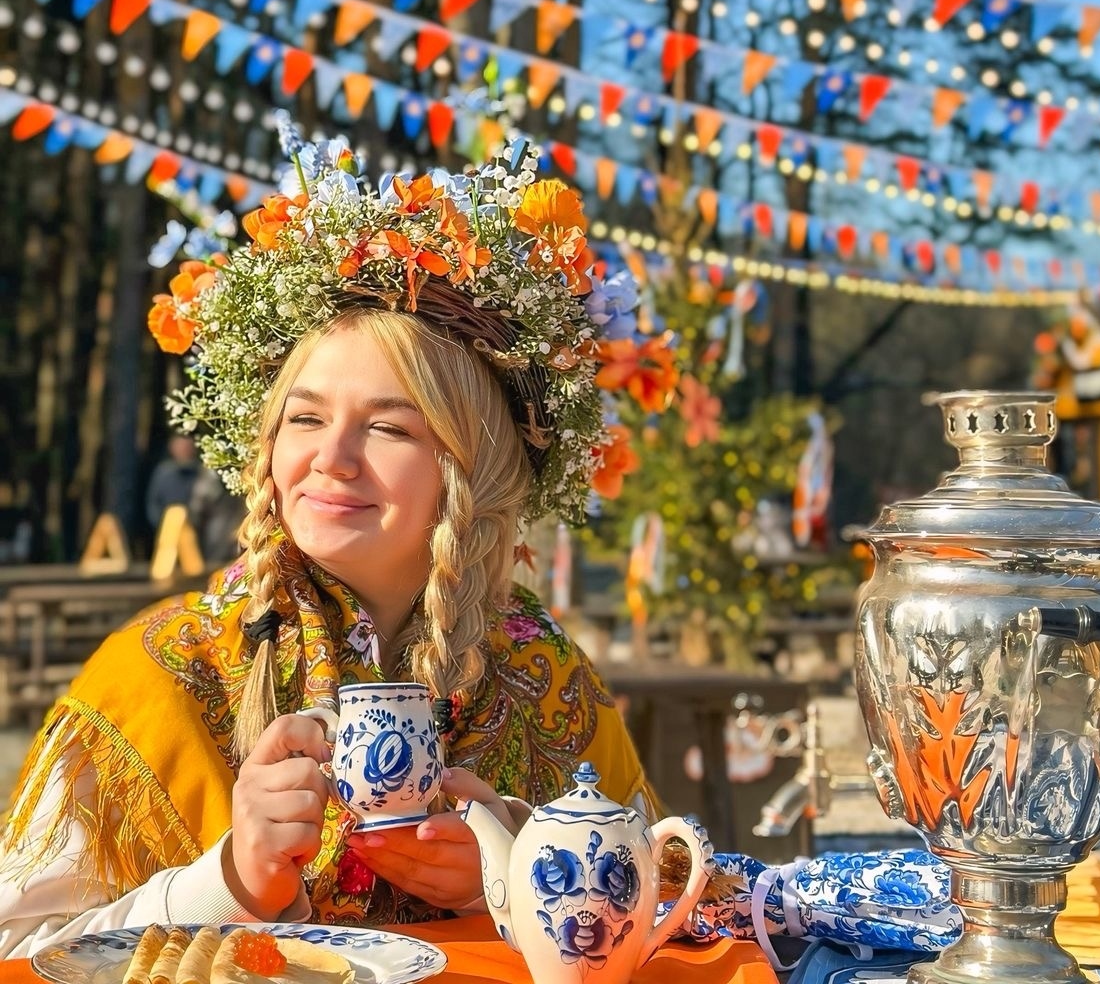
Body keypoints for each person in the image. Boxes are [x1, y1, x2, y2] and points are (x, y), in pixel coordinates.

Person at [0, 119, 674, 957]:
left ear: (479, 471)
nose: (331, 459)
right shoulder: (160, 678)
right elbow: (19, 949)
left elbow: (673, 913)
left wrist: (513, 869)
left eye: (389, 429)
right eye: (307, 417)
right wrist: (231, 880)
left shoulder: (547, 677)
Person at [143, 434, 200, 535]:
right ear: (172, 447)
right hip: (165, 531)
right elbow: (153, 503)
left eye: (187, 446)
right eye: (181, 446)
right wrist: (162, 526)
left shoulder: (201, 474)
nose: (184, 450)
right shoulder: (163, 472)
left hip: (194, 533)